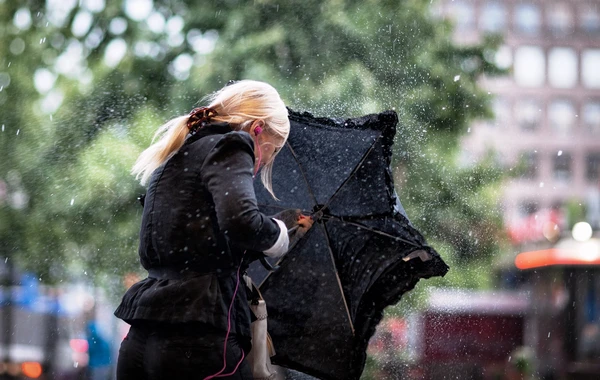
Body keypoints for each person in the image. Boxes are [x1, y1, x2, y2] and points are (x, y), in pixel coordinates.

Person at [114, 80, 313, 380]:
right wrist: (279, 237)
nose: (260, 166)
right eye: (269, 153)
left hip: (142, 340)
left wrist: (284, 223)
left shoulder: (179, 154)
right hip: (199, 346)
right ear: (257, 128)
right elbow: (240, 221)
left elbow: (200, 242)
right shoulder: (233, 144)